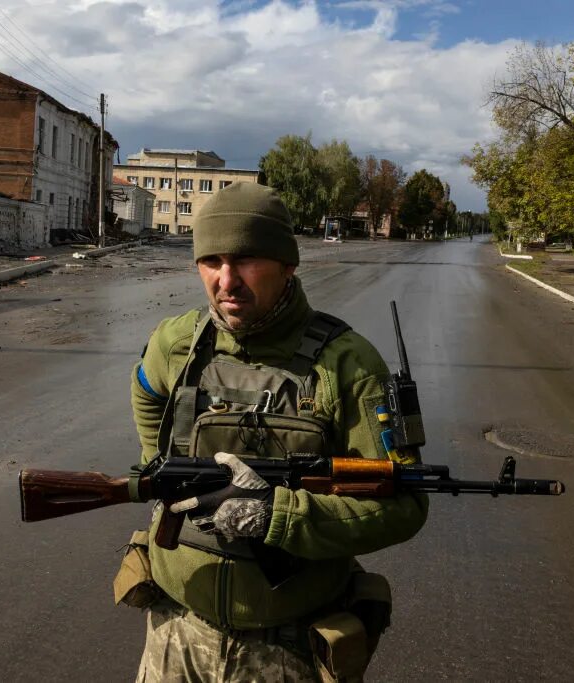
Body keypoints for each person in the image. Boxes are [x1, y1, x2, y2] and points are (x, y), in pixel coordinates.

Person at [127, 183, 429, 682]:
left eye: (246, 260)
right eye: (211, 261)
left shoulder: (348, 365)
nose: (226, 280)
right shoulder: (177, 342)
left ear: (288, 264)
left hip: (287, 650)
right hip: (176, 636)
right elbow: (144, 386)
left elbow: (404, 505)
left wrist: (277, 517)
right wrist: (158, 467)